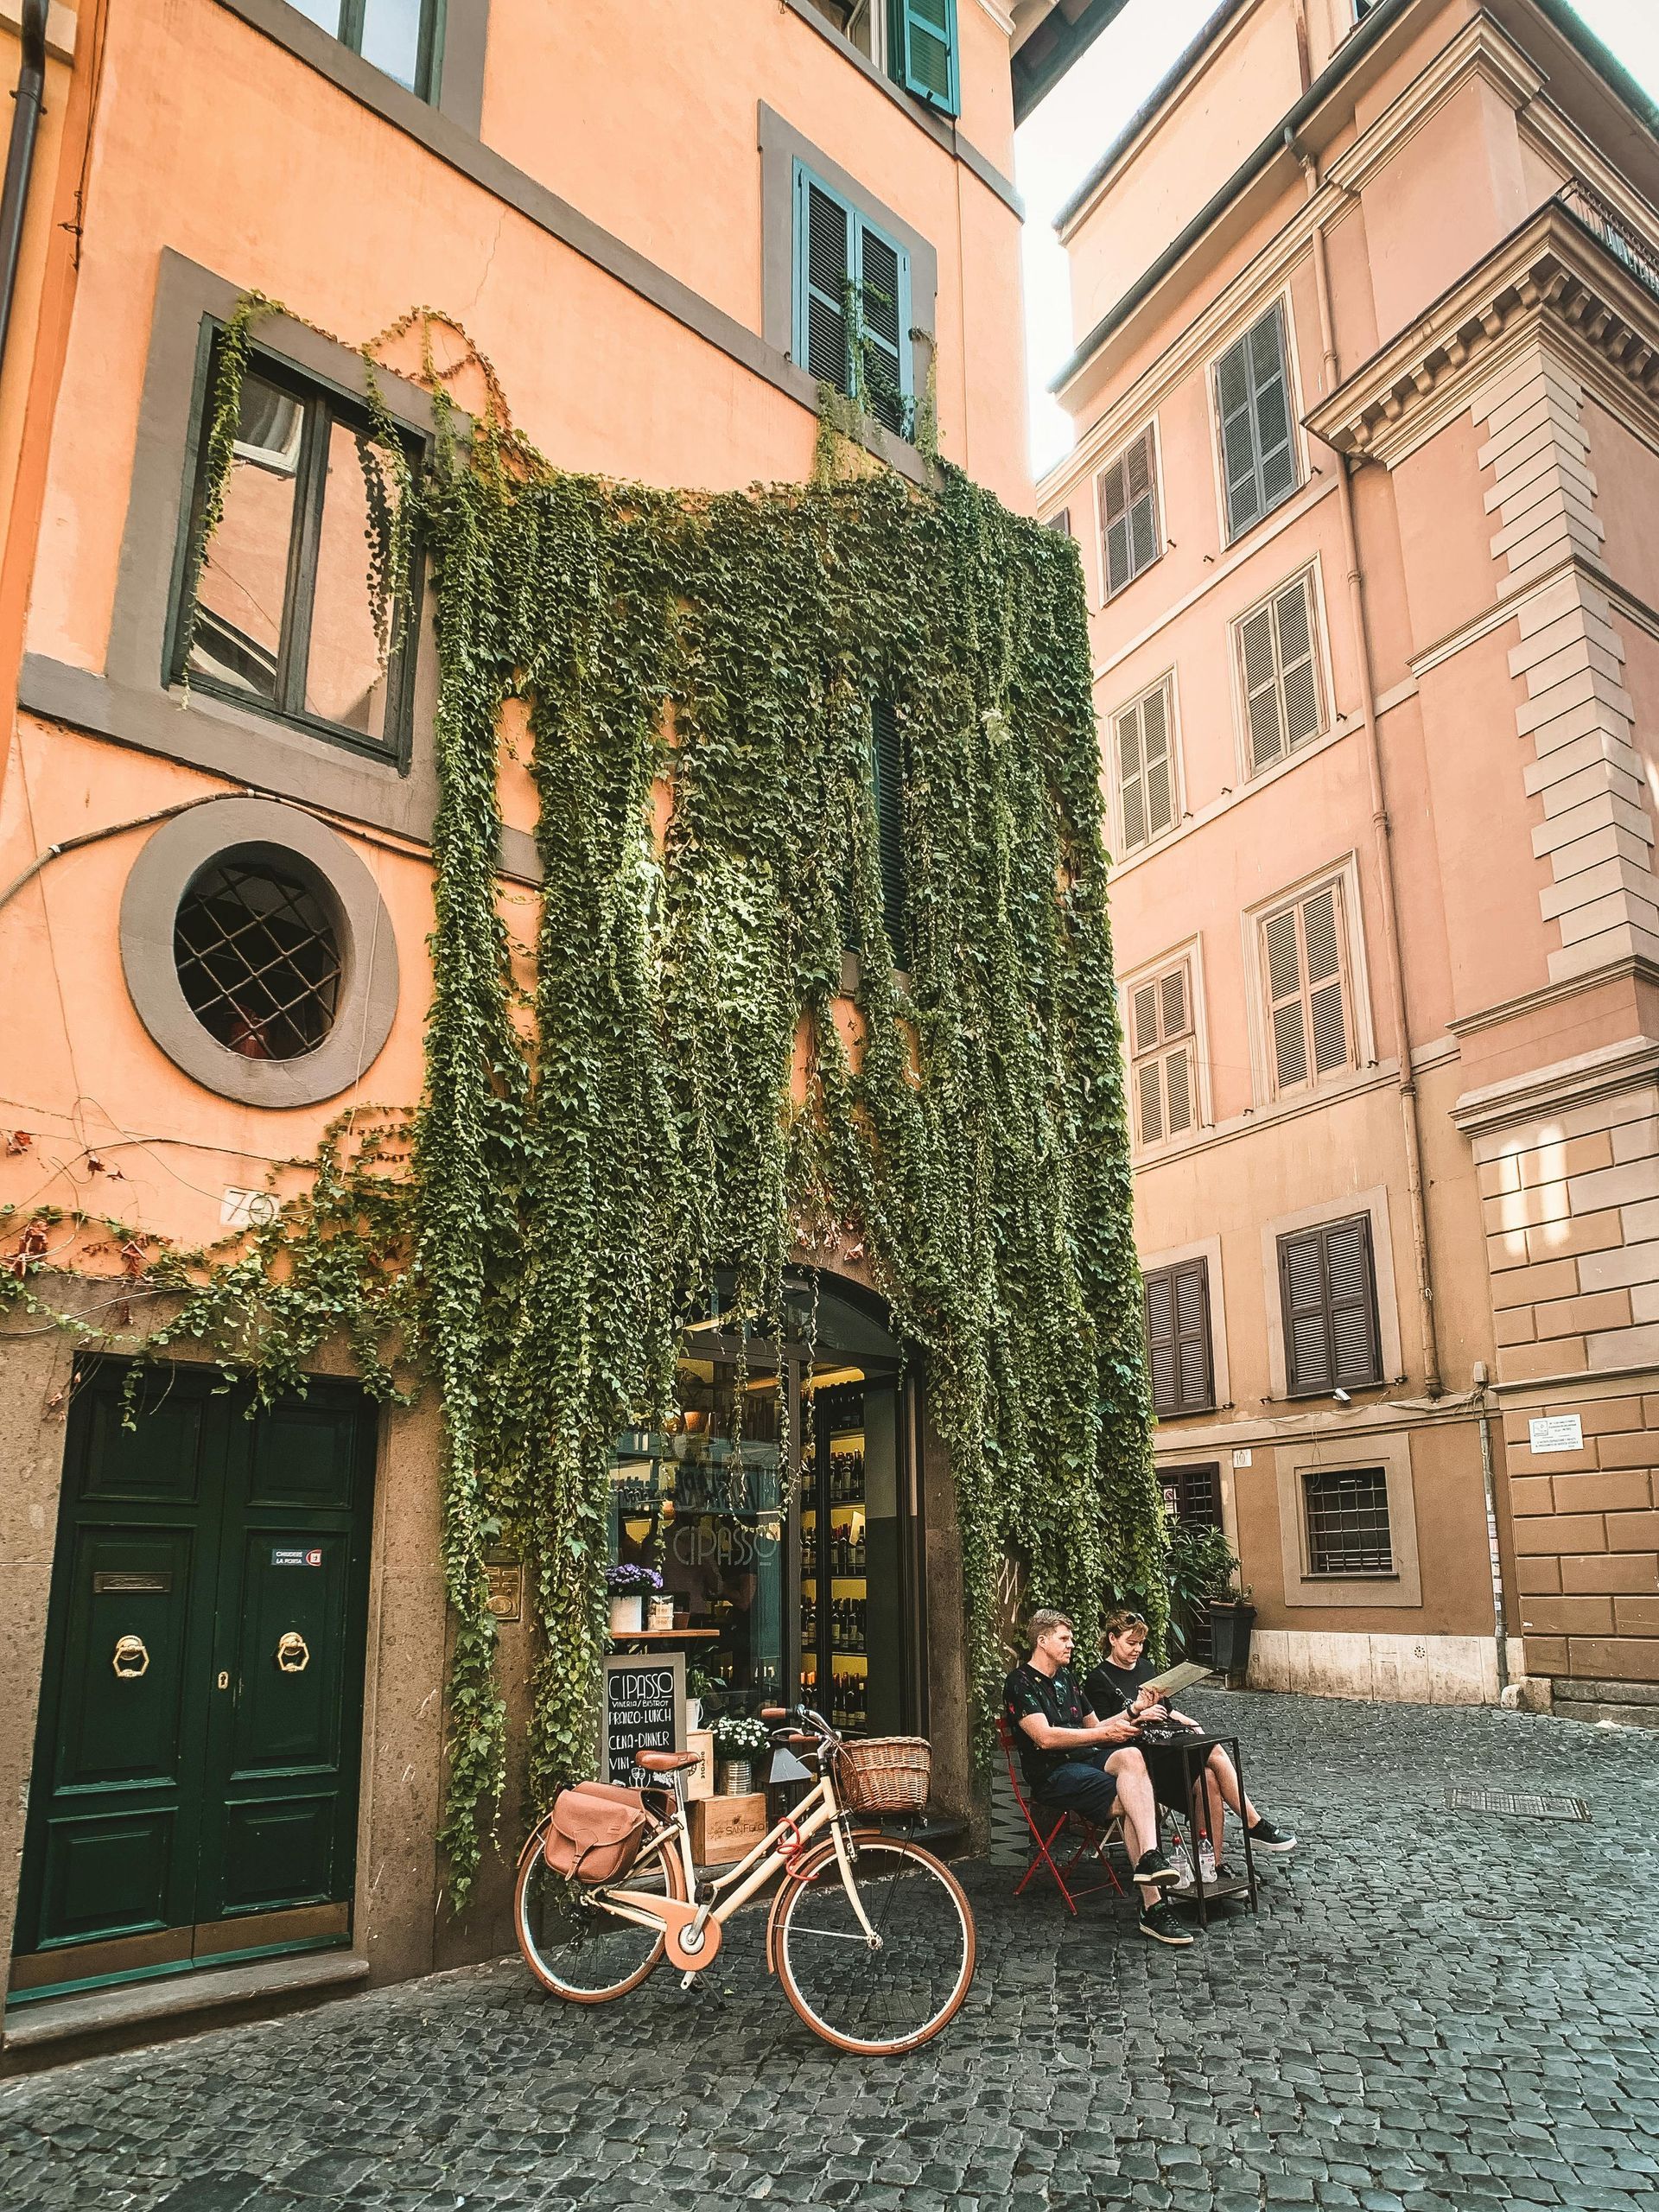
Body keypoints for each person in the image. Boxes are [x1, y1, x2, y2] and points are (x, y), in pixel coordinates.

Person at [1003, 1608, 1192, 1947]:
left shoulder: (1067, 1678)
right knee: (1134, 1799)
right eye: (1065, 1638)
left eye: (1071, 1638)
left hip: (1086, 1761)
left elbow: (1095, 1727)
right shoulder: (1019, 1683)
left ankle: (1149, 1856)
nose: (1072, 1644)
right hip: (1054, 1774)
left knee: (1132, 1756)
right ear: (1042, 1641)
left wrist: (1133, 1712)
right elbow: (1045, 1738)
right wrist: (1103, 1738)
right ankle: (1153, 1906)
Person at [1084, 1608, 1298, 1884]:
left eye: (1141, 1643)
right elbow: (1101, 1732)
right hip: (1136, 1758)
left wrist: (1188, 1721)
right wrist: (1137, 1714)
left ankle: (1213, 1866)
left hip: (1165, 1746)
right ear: (1112, 1639)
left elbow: (1166, 1709)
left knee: (1209, 1778)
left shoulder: (1147, 1668)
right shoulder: (1098, 1679)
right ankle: (1254, 1823)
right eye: (1130, 1643)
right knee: (1214, 1750)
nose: (1137, 1649)